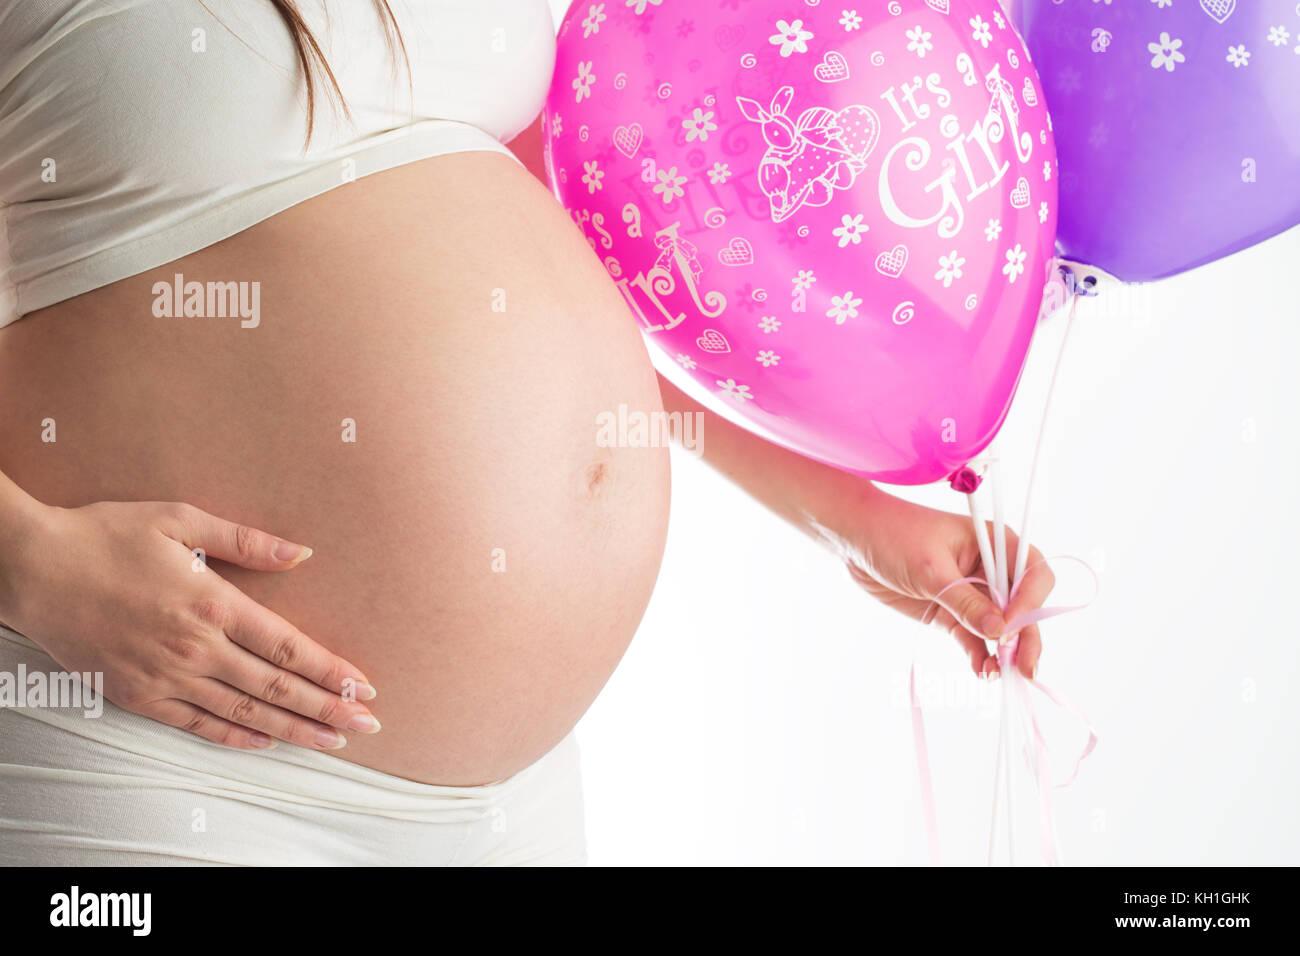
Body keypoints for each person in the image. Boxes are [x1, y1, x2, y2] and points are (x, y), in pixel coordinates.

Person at [0, 0, 1051, 865]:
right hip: (162, 758)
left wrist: (849, 517)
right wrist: (28, 564)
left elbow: (573, 246)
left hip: (510, 807)